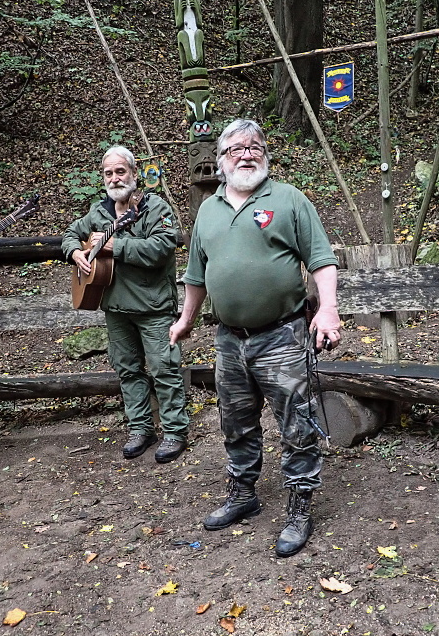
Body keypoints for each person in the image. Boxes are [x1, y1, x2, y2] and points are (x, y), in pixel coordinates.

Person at [169, 118, 340, 558]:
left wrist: (328, 308)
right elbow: (195, 274)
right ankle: (243, 493)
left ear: (266, 154)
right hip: (229, 339)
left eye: (255, 146)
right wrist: (187, 319)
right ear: (222, 162)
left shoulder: (288, 199)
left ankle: (300, 507)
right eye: (236, 149)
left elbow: (321, 259)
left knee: (296, 424)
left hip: (280, 335)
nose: (247, 153)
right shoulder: (207, 210)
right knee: (236, 422)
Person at [62, 146, 189, 463]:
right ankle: (140, 429)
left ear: (134, 174)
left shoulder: (155, 208)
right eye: (108, 173)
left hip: (154, 308)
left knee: (164, 369)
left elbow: (160, 248)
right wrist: (74, 252)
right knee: (128, 371)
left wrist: (115, 246)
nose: (115, 178)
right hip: (115, 309)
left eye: (121, 171)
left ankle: (174, 432)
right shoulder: (98, 212)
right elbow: (70, 234)